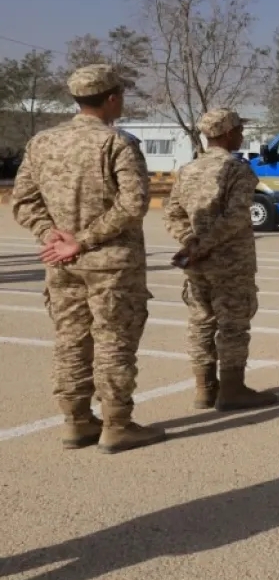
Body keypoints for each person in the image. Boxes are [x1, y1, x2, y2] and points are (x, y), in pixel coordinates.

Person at [10, 64, 165, 453]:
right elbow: (134, 204)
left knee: (70, 340)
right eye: (121, 96)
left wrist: (52, 236)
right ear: (111, 99)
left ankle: (76, 421)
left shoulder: (42, 142)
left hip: (61, 263)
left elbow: (23, 201)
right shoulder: (117, 143)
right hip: (110, 265)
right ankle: (117, 425)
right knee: (113, 341)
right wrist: (81, 240)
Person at [163, 108, 278, 412]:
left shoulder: (188, 170)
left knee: (201, 322)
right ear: (227, 133)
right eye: (239, 130)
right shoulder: (236, 170)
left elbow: (172, 214)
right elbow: (236, 217)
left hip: (197, 263)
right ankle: (232, 389)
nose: (242, 134)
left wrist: (190, 242)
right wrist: (203, 245)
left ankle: (204, 389)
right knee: (233, 324)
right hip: (230, 263)